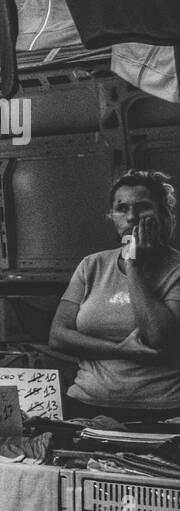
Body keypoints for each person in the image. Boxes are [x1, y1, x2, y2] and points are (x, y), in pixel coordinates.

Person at [50, 169, 180, 422]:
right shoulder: (91, 265)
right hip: (86, 405)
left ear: (165, 214)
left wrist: (133, 265)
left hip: (161, 412)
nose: (132, 217)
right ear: (111, 216)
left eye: (143, 207)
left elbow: (159, 337)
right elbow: (58, 336)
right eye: (122, 209)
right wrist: (122, 349)